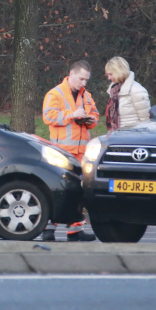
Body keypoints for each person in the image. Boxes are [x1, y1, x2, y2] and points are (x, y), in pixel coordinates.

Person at [40, 60, 99, 242]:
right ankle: (48, 229)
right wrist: (71, 116)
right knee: (57, 191)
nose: (84, 83)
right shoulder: (55, 93)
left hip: (81, 152)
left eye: (86, 80)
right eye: (81, 79)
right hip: (61, 152)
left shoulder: (86, 96)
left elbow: (96, 116)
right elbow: (48, 116)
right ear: (71, 74)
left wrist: (90, 120)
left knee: (79, 193)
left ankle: (75, 230)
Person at [104, 56, 150, 132]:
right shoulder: (114, 91)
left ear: (119, 71)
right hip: (116, 136)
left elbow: (146, 121)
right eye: (107, 75)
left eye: (111, 74)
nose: (108, 78)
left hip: (133, 137)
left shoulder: (137, 90)